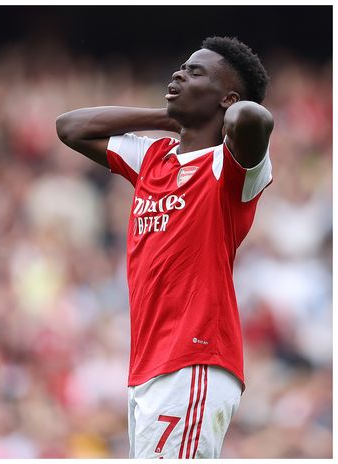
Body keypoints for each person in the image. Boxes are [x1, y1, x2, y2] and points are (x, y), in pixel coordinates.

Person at [55, 36, 273, 458]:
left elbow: (253, 117)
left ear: (227, 98)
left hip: (194, 360)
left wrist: (218, 116)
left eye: (196, 72)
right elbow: (69, 127)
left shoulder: (231, 168)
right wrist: (170, 119)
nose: (179, 74)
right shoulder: (153, 157)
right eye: (182, 67)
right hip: (149, 366)